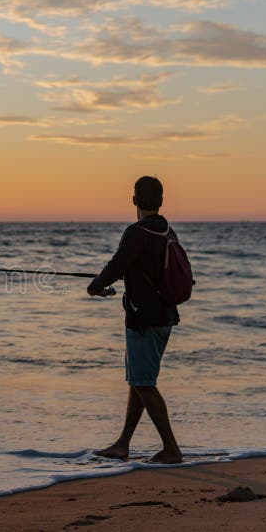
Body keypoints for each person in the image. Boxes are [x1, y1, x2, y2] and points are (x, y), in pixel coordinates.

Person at [87, 176, 183, 464]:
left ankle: (171, 448)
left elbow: (118, 265)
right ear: (161, 201)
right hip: (165, 316)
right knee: (139, 381)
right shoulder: (168, 231)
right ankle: (123, 444)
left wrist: (95, 286)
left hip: (145, 319)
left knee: (143, 383)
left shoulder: (136, 232)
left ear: (134, 200)